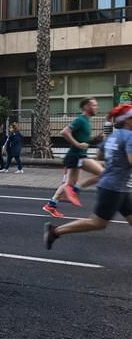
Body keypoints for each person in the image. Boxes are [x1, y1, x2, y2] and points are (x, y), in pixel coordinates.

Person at [45, 104, 132, 249]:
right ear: (128, 120)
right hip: (113, 188)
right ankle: (55, 231)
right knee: (97, 223)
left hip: (119, 186)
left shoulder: (113, 136)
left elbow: (100, 155)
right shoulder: (129, 137)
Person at [43, 98, 104, 217]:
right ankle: (76, 190)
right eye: (94, 105)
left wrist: (94, 139)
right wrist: (77, 144)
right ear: (86, 107)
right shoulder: (80, 120)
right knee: (103, 173)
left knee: (68, 183)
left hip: (78, 156)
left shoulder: (86, 121)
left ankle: (51, 204)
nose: (97, 107)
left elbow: (83, 141)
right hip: (77, 156)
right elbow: (64, 132)